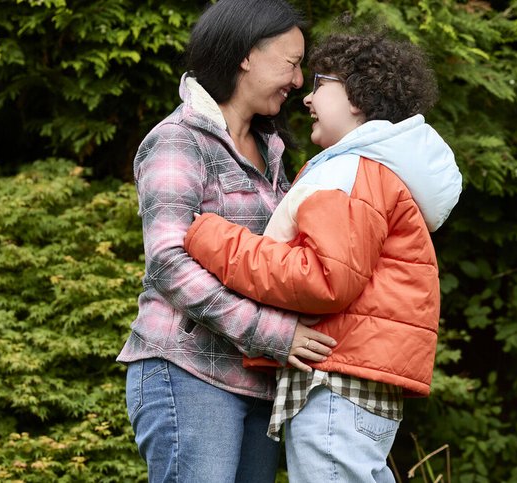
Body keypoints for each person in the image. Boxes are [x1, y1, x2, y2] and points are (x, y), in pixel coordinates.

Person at [183, 31, 463, 482]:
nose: (306, 96)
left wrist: (213, 237)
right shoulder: (369, 170)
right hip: (352, 378)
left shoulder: (349, 171)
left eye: (320, 84)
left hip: (336, 383)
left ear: (357, 96)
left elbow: (322, 278)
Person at [116, 1, 337, 482]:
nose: (299, 82)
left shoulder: (275, 151)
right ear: (245, 55)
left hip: (258, 382)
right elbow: (169, 265)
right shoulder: (180, 140)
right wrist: (273, 334)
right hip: (189, 372)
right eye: (291, 63)